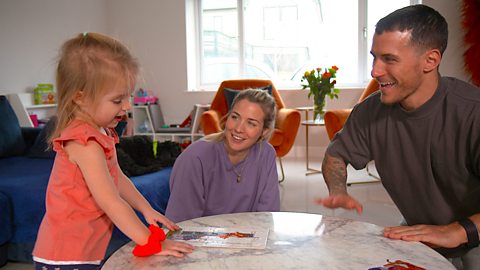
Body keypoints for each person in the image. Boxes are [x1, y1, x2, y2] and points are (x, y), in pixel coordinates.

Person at [316, 5, 480, 269]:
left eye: (389, 59)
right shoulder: (370, 111)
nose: (375, 71)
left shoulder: (473, 112)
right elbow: (336, 155)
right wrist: (338, 190)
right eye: (374, 57)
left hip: (474, 236)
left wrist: (455, 232)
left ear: (430, 60)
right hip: (419, 231)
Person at [32, 32, 194, 270]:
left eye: (127, 96)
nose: (127, 106)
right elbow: (110, 200)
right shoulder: (84, 142)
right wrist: (151, 243)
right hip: (66, 254)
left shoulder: (101, 132)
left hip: (86, 249)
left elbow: (117, 177)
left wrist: (146, 209)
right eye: (118, 100)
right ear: (81, 98)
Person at [166, 89, 280, 222]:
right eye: (235, 117)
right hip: (198, 240)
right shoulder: (194, 158)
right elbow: (181, 224)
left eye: (251, 123)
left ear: (264, 131)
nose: (238, 128)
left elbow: (267, 217)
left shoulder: (266, 154)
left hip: (249, 239)